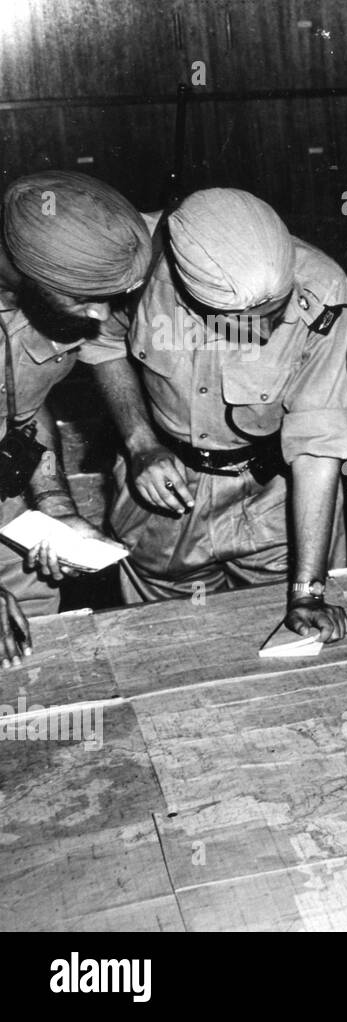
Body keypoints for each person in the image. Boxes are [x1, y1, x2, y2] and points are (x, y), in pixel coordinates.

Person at [86, 188, 347, 644]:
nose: (268, 331)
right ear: (191, 296)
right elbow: (102, 343)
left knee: (302, 646)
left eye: (276, 311)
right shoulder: (133, 262)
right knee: (170, 647)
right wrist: (139, 443)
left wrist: (308, 591)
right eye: (247, 318)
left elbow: (317, 443)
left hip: (276, 497)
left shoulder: (324, 289)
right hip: (165, 493)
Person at [0, 170, 148, 663]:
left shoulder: (46, 303)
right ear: (28, 270)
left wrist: (55, 505)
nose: (102, 317)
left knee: (36, 663)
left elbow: (25, 406)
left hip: (9, 512)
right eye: (84, 297)